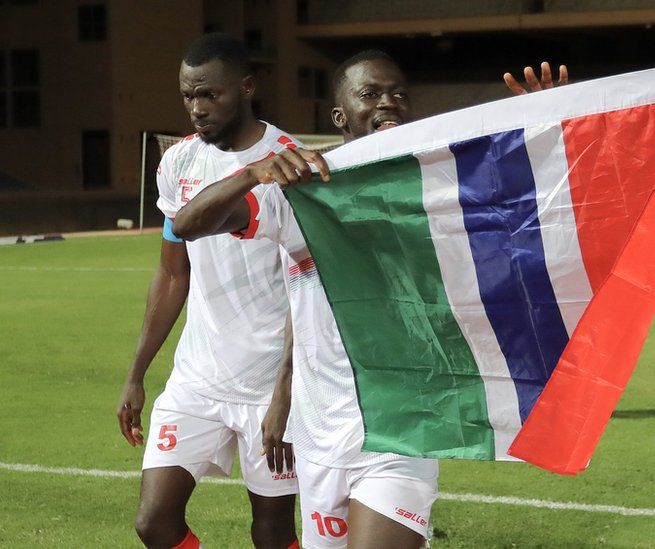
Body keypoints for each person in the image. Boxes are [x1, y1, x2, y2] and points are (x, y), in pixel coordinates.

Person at [172, 50, 437, 549]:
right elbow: (188, 225)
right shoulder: (306, 191)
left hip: (401, 424)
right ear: (339, 117)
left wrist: (546, 129)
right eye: (371, 94)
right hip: (322, 429)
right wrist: (251, 174)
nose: (388, 103)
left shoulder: (437, 183)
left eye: (399, 93)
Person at [116, 33, 299, 549]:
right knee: (154, 522)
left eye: (209, 95)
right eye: (188, 96)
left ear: (245, 88)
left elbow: (307, 284)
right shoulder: (178, 163)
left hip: (269, 382)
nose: (197, 109)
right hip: (197, 379)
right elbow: (173, 274)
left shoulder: (288, 162)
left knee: (272, 533)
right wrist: (136, 374)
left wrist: (287, 391)